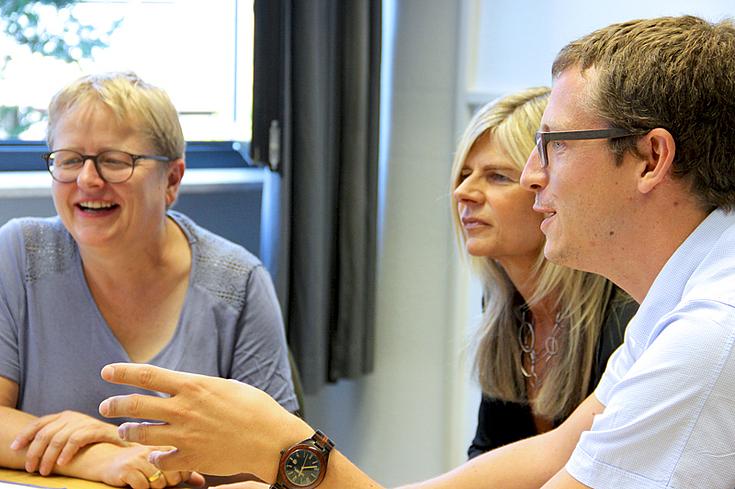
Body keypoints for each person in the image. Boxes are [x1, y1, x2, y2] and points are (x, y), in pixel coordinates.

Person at [98, 15, 735, 489]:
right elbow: (556, 451)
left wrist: (287, 452)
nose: (536, 175)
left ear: (652, 159)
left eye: (556, 145)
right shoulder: (674, 302)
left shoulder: (708, 337)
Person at [0, 72, 297, 488]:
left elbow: (278, 459)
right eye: (69, 159)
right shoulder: (19, 252)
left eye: (115, 160)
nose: (87, 179)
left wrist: (127, 448)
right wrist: (96, 456)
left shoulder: (239, 283)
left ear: (171, 180)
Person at [450, 87, 636, 458]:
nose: (463, 193)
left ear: (547, 189)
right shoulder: (507, 301)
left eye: (498, 177)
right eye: (465, 173)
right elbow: (488, 454)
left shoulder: (623, 313)